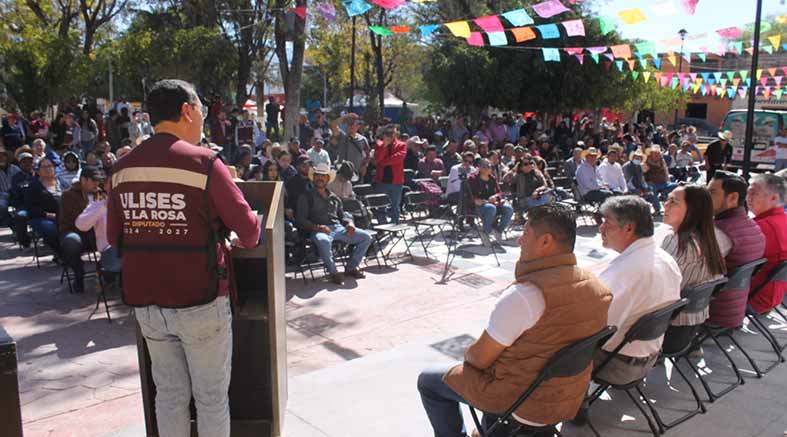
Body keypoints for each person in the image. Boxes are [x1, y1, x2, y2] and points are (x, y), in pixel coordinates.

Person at [107, 79, 260, 437]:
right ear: (187, 111)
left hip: (146, 303)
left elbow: (114, 238)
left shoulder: (122, 169)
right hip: (200, 299)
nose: (203, 120)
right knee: (210, 398)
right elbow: (250, 232)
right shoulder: (204, 163)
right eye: (202, 112)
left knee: (170, 395)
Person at [418, 205, 612, 436]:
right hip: (567, 397)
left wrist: (473, 355)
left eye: (526, 233)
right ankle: (489, 428)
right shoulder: (597, 287)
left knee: (429, 381)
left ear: (545, 241)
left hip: (523, 402)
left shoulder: (525, 296)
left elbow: (478, 359)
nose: (520, 241)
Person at [596, 196, 681, 385]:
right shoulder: (665, 259)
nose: (601, 228)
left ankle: (574, 407)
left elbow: (600, 328)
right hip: (646, 358)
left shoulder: (629, 270)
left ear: (628, 228)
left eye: (607, 222)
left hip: (618, 366)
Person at [660, 185, 726, 352]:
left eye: (673, 202)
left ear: (692, 211)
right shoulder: (710, 240)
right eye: (667, 200)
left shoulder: (675, 242)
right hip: (691, 329)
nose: (665, 205)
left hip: (665, 333)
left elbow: (655, 293)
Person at [296, 163, 372, 285]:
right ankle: (333, 273)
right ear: (313, 177)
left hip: (338, 228)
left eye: (323, 176)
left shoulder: (334, 197)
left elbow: (343, 215)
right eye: (317, 175)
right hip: (318, 229)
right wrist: (317, 227)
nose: (320, 178)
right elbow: (300, 220)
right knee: (324, 241)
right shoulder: (305, 197)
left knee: (366, 237)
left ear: (327, 179)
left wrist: (350, 223)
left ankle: (351, 267)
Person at [747, 173, 787, 313]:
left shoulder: (763, 227)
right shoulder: (782, 220)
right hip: (774, 296)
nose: (748, 198)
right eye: (748, 193)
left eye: (754, 193)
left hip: (754, 298)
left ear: (774, 198)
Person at [59, 167, 104, 293]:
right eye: (94, 180)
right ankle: (78, 272)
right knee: (71, 242)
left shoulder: (101, 193)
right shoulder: (68, 195)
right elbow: (76, 220)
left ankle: (106, 270)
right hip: (74, 231)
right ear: (83, 180)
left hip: (95, 232)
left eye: (98, 181)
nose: (97, 184)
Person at [468, 158, 514, 246]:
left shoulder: (492, 178)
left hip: (493, 203)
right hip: (479, 205)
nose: (489, 168)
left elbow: (499, 192)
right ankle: (486, 233)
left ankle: (498, 231)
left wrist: (495, 197)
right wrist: (477, 200)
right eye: (485, 167)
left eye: (490, 166)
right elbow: (469, 195)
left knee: (508, 209)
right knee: (491, 208)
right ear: (480, 168)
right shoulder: (473, 178)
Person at [22, 158, 63, 254]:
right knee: (51, 229)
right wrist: (48, 215)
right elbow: (30, 208)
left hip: (62, 215)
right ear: (38, 171)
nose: (47, 169)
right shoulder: (33, 186)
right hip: (41, 217)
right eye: (44, 167)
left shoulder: (61, 182)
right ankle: (61, 254)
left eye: (49, 166)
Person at [373, 125, 406, 224]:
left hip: (396, 181)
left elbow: (398, 158)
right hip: (382, 181)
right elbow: (378, 158)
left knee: (395, 206)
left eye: (391, 133)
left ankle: (394, 227)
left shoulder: (401, 145)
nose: (389, 135)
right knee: (381, 206)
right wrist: (384, 146)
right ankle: (382, 226)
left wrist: (383, 162)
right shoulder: (379, 145)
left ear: (396, 134)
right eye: (387, 133)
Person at [330, 113, 370, 177]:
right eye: (349, 124)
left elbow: (368, 155)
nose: (351, 126)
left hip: (357, 173)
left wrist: (364, 166)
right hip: (342, 172)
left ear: (358, 126)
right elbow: (333, 125)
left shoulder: (363, 139)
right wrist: (345, 118)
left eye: (353, 124)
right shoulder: (342, 136)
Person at [284, 155, 312, 220]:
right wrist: (288, 209)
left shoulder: (314, 180)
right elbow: (287, 200)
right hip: (297, 215)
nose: (307, 168)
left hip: (313, 214)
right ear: (297, 167)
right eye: (304, 165)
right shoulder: (291, 182)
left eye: (309, 165)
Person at [0, 148, 20, 227]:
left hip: (16, 194)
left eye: (3, 156)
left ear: (7, 157)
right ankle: (8, 224)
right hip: (2, 195)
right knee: (1, 206)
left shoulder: (15, 168)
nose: (1, 158)